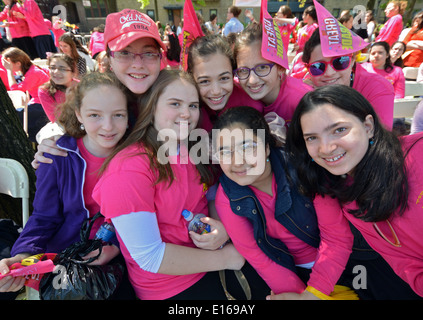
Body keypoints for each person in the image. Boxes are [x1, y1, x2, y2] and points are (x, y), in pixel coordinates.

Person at [92, 69, 269, 300]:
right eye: (175, 104)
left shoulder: (187, 147)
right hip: (172, 287)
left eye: (193, 105)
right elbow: (149, 256)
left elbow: (209, 195)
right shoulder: (128, 170)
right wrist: (227, 258)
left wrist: (221, 228)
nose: (186, 113)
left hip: (213, 260)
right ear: (151, 107)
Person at [285, 84, 423, 299]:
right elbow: (405, 263)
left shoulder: (418, 154)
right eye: (312, 138)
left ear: (368, 126)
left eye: (339, 130)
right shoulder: (337, 190)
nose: (326, 148)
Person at [0, 72, 131, 296]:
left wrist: (114, 248)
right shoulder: (57, 156)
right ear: (79, 114)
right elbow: (43, 217)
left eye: (118, 115)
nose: (108, 126)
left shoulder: (135, 157)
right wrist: (23, 256)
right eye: (94, 115)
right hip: (66, 260)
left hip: (120, 257)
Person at [213, 106, 358, 299]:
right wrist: (296, 295)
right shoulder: (227, 195)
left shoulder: (302, 168)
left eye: (247, 147)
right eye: (225, 152)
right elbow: (260, 258)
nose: (237, 161)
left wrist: (312, 295)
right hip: (289, 274)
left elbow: (337, 237)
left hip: (340, 265)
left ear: (266, 147)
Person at [32, 9, 167, 165]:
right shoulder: (92, 96)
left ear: (159, 57)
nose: (138, 64)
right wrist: (52, 148)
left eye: (149, 53)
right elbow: (66, 131)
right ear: (109, 57)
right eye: (124, 52)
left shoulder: (176, 96)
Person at [302, 28, 395, 130]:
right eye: (318, 66)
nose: (329, 73)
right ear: (308, 68)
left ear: (352, 60)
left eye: (340, 61)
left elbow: (381, 140)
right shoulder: (304, 90)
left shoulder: (378, 87)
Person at [233, 23, 312, 126]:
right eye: (243, 70)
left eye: (262, 67)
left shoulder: (303, 102)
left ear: (280, 67)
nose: (252, 80)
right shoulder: (234, 88)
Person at [187, 34, 264, 132]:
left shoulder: (252, 105)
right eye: (205, 81)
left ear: (233, 74)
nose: (216, 91)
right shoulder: (185, 108)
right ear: (192, 79)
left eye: (224, 78)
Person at [2, 47, 50, 142]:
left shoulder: (33, 72)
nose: (5, 66)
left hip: (43, 106)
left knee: (13, 117)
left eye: (8, 64)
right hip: (39, 103)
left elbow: (15, 89)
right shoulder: (31, 70)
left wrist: (9, 71)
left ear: (18, 63)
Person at [38, 53, 78, 123]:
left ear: (73, 73)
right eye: (52, 68)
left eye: (62, 69)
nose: (56, 72)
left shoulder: (81, 86)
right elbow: (56, 120)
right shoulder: (45, 91)